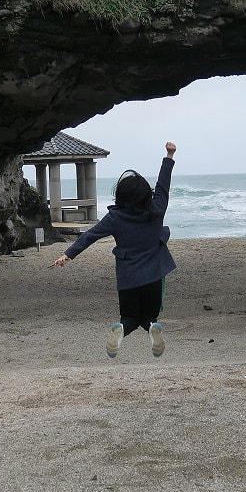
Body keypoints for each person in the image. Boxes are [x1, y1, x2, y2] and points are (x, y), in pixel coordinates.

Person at [51, 141, 177, 358]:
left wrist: (68, 254)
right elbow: (163, 185)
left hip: (128, 277)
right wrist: (169, 156)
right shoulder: (156, 209)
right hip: (154, 274)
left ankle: (120, 329)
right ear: (146, 194)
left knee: (129, 318)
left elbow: (90, 235)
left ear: (120, 195)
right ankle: (152, 328)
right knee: (149, 317)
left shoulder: (115, 218)